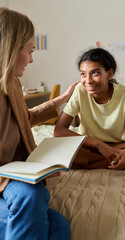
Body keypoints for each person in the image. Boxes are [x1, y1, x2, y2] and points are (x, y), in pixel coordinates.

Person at [0, 8, 78, 240]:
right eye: (30, 51)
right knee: (30, 196)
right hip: (8, 179)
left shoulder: (12, 84)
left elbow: (26, 118)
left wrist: (60, 100)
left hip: (15, 175)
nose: (32, 59)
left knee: (59, 228)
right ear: (11, 47)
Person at [54, 47, 125, 171]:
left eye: (95, 73)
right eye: (83, 74)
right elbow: (59, 131)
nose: (88, 80)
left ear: (109, 74)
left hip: (117, 145)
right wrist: (98, 145)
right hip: (87, 145)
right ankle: (115, 162)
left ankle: (100, 163)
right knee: (57, 151)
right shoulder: (80, 91)